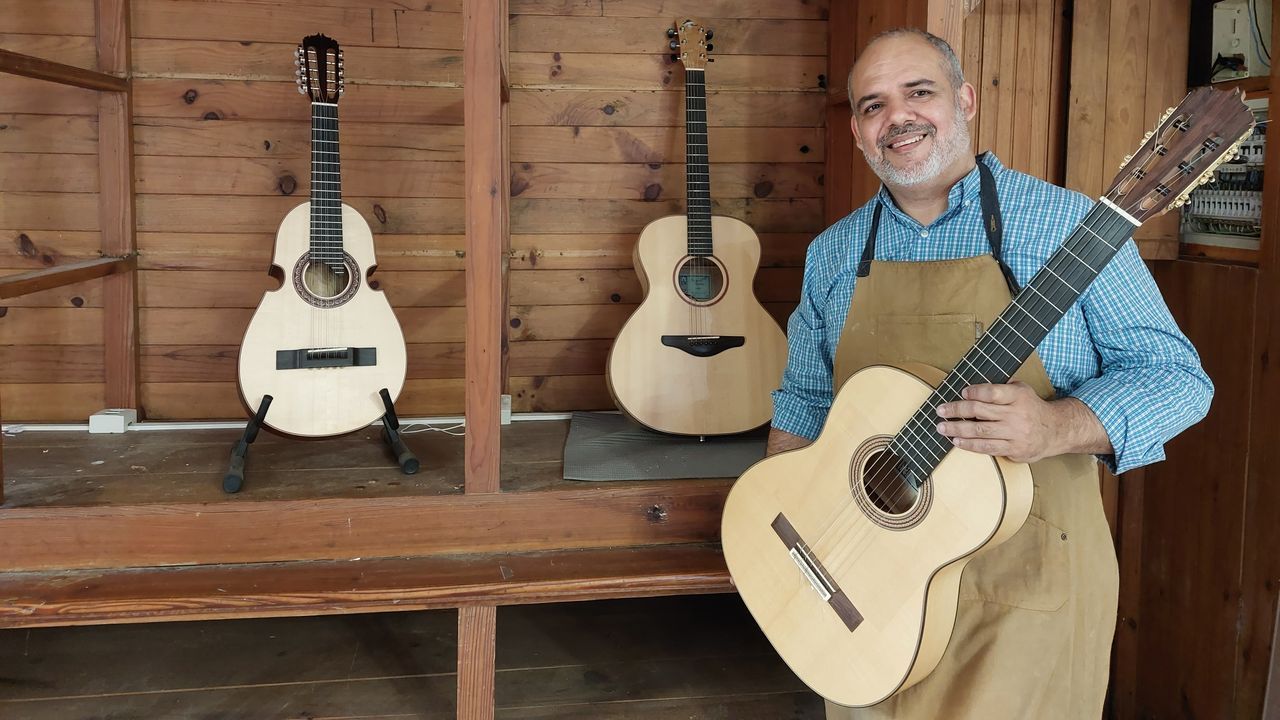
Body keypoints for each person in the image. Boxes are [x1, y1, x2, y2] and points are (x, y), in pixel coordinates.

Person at [767, 27, 1212, 720]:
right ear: (857, 131)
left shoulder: (1074, 229)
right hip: (869, 593)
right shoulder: (834, 254)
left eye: (920, 92)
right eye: (874, 105)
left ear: (965, 99)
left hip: (1025, 591)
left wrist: (1056, 424)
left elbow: (1177, 378)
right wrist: (792, 546)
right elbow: (803, 400)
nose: (899, 118)